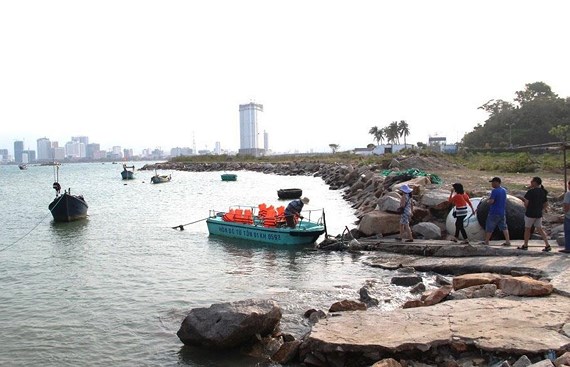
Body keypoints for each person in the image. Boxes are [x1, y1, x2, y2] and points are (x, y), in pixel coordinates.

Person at [520, 176, 550, 251]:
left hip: (530, 213)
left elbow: (526, 203)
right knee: (540, 229)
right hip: (538, 213)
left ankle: (525, 244)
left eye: (532, 181)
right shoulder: (543, 192)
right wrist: (541, 209)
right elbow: (546, 204)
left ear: (535, 182)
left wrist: (527, 207)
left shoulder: (530, 192)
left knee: (527, 229)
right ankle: (547, 244)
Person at [483, 177, 511, 246]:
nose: (492, 184)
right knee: (504, 227)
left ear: (497, 182)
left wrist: (487, 201)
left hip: (494, 212)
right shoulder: (504, 190)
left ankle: (486, 241)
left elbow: (492, 201)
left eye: (493, 182)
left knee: (489, 227)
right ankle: (507, 241)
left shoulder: (495, 191)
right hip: (502, 211)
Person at [562, 180, 570, 254]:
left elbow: (567, 205)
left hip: (568, 216)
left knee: (568, 232)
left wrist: (565, 212)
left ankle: (568, 248)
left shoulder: (568, 194)